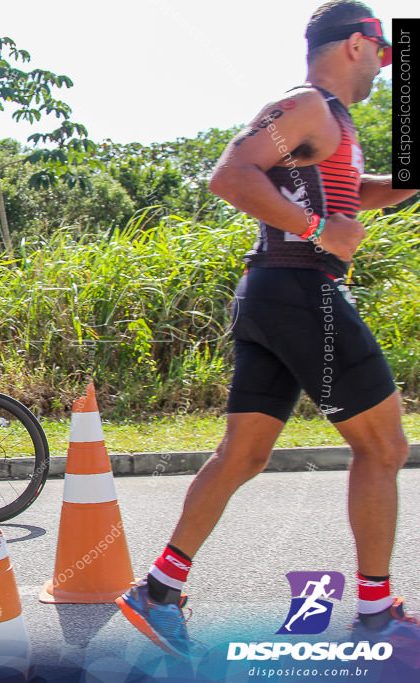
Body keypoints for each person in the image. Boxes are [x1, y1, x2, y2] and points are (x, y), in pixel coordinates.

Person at [116, 1, 419, 658]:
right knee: (385, 447)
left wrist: (396, 188)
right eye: (385, 50)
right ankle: (374, 614)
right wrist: (318, 231)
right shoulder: (306, 106)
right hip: (299, 289)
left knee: (245, 455)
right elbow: (230, 174)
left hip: (273, 296)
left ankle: (159, 590)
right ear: (354, 46)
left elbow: (345, 193)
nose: (386, 66)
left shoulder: (332, 124)